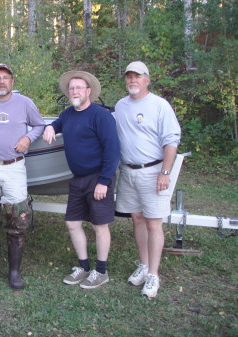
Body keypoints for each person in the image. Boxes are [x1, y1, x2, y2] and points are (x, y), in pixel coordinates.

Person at [0, 63, 45, 290]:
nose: (1, 81)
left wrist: (28, 138)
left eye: (6, 77)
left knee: (17, 218)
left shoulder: (25, 103)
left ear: (12, 81)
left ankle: (14, 271)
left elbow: (39, 124)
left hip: (15, 167)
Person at [43, 70, 120, 290]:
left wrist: (104, 181)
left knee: (99, 225)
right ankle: (84, 266)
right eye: (72, 88)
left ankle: (101, 271)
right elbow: (57, 124)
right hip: (77, 179)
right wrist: (50, 126)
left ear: (88, 91)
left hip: (98, 178)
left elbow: (113, 150)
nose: (75, 91)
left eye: (79, 87)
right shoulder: (68, 114)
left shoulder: (100, 115)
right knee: (72, 223)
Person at [114, 61, 181, 298]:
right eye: (129, 76)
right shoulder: (120, 106)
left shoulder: (159, 105)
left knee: (154, 222)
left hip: (154, 172)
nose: (132, 80)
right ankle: (143, 265)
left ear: (147, 80)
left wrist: (165, 172)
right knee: (137, 220)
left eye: (137, 76)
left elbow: (171, 140)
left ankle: (154, 274)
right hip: (128, 172)